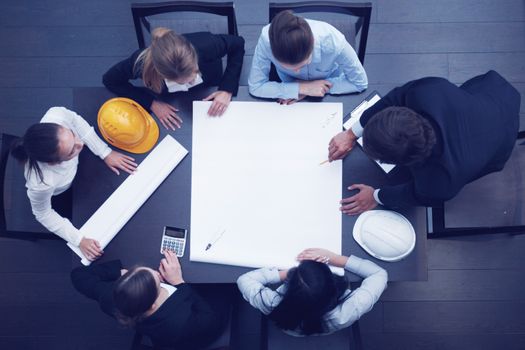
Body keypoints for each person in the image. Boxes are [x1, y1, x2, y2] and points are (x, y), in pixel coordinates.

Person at [327, 70, 521, 214]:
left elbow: (417, 194)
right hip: (488, 99)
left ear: (401, 163)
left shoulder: (441, 182)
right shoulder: (428, 92)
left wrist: (376, 196)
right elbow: (396, 97)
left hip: (500, 135)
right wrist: (352, 133)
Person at [10, 107, 137, 260]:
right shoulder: (41, 183)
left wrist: (105, 152)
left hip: (80, 168)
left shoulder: (56, 114)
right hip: (64, 190)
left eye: (72, 135)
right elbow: (43, 214)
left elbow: (75, 121)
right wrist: (79, 240)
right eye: (71, 150)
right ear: (53, 163)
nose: (80, 143)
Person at [71, 251, 230, 349]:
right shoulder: (180, 323)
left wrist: (123, 274)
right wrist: (178, 282)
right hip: (202, 328)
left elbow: (78, 276)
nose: (157, 273)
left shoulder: (110, 297)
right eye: (158, 281)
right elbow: (210, 320)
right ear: (153, 304)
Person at [103, 27, 245, 129]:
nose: (190, 82)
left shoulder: (207, 44)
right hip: (171, 101)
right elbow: (110, 80)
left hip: (211, 85)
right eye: (180, 81)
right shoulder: (140, 63)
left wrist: (227, 88)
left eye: (194, 73)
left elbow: (238, 43)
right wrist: (151, 102)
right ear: (162, 73)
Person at [237, 248, 387, 336]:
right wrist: (335, 259)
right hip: (325, 328)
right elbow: (379, 274)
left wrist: (289, 273)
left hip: (291, 328)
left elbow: (244, 280)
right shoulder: (349, 310)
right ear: (332, 284)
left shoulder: (271, 303)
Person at [248, 10, 368, 104]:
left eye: (302, 64)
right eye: (288, 67)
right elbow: (256, 86)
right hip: (289, 82)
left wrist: (312, 88)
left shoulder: (334, 42)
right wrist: (302, 88)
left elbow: (360, 83)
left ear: (313, 42)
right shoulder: (266, 41)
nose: (297, 72)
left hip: (330, 78)